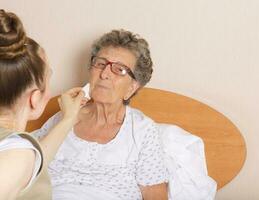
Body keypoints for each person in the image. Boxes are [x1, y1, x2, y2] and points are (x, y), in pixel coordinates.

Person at [35, 29, 169, 200]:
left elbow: (156, 196)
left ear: (132, 88)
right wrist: (67, 119)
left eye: (119, 70)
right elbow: (27, 171)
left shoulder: (143, 131)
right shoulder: (63, 118)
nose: (104, 74)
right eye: (100, 64)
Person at [0, 10, 86, 200]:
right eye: (49, 77)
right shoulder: (18, 156)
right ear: (35, 98)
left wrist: (69, 118)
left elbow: (32, 165)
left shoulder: (19, 151)